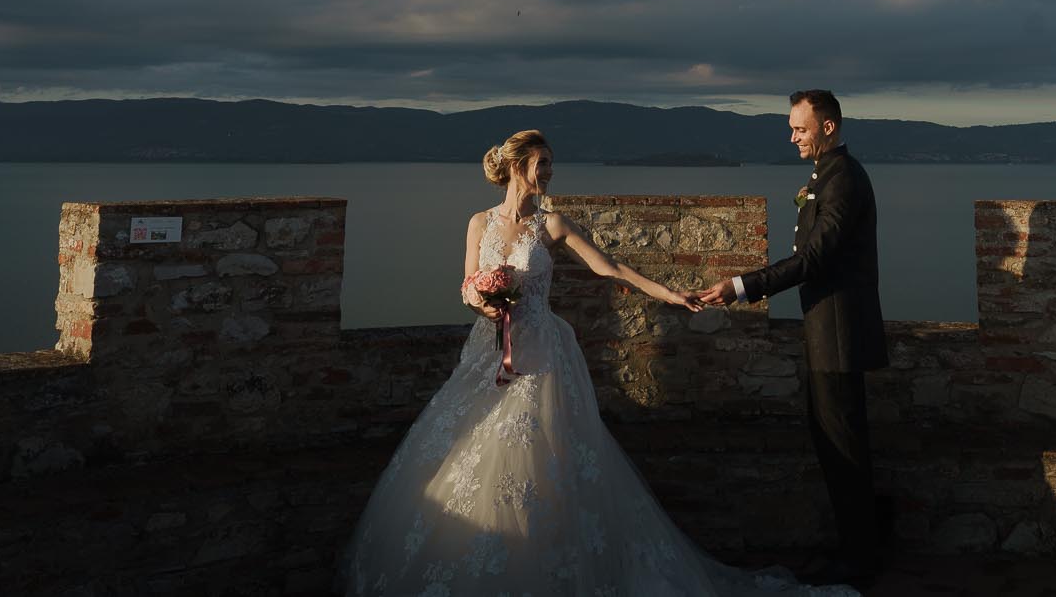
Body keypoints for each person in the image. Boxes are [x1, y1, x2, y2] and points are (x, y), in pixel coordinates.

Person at [341, 129, 859, 596]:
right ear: (517, 166)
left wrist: (671, 295)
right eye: (541, 163)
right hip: (488, 351)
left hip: (542, 352)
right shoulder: (479, 222)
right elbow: (466, 286)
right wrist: (484, 301)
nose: (548, 172)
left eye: (550, 163)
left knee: (540, 457)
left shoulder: (553, 225)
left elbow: (610, 267)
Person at [699, 90, 889, 588]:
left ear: (828, 127)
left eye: (800, 128)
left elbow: (814, 259)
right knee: (834, 444)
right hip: (828, 328)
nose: (792, 137)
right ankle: (856, 547)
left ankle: (860, 559)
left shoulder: (842, 178)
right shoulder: (824, 176)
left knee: (844, 447)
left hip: (840, 332)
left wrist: (742, 286)